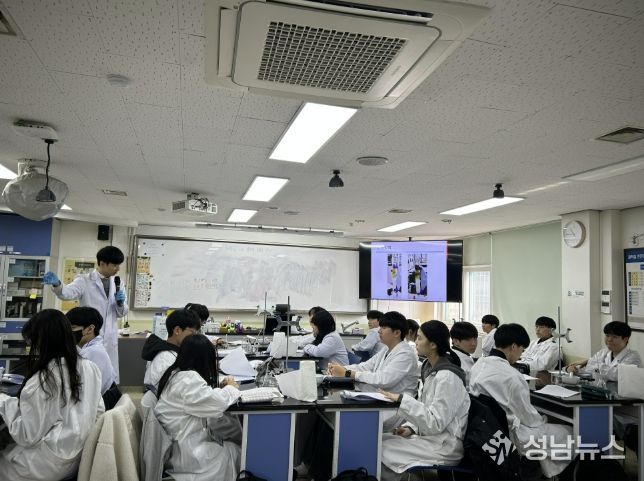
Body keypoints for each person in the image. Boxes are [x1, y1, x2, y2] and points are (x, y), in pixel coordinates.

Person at [0, 309, 104, 481]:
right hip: (77, 457)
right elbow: (99, 411)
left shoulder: (45, 378)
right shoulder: (90, 368)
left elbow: (26, 435)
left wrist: (4, 401)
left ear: (42, 341)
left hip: (46, 465)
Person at [469, 323, 573, 478]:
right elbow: (530, 419)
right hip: (511, 436)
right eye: (521, 350)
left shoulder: (479, 364)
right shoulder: (512, 376)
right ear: (513, 346)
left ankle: (540, 472)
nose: (520, 355)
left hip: (485, 432)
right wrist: (545, 419)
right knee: (570, 434)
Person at [379, 321, 470, 480]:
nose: (416, 342)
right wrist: (410, 428)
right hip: (432, 437)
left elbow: (435, 422)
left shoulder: (447, 377)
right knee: (380, 440)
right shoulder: (431, 369)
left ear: (433, 345)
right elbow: (426, 407)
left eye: (420, 338)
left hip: (444, 445)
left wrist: (402, 401)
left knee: (381, 450)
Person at [155, 334, 241, 481]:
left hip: (181, 448)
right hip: (190, 456)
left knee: (231, 442)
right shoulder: (188, 380)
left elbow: (202, 398)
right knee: (237, 451)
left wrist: (219, 389)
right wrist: (231, 387)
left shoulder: (177, 374)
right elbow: (217, 404)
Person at [43, 246, 128, 382]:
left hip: (109, 336)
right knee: (87, 376)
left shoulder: (118, 283)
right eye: (115, 265)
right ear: (102, 263)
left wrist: (120, 303)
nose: (118, 269)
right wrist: (57, 284)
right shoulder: (84, 280)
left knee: (108, 377)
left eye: (119, 265)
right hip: (89, 335)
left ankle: (108, 392)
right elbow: (67, 293)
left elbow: (121, 313)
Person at [327, 311, 419, 429]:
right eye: (380, 327)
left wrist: (348, 373)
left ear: (397, 333)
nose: (379, 331)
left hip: (394, 407)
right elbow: (365, 366)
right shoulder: (386, 349)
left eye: (384, 328)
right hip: (380, 399)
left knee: (348, 420)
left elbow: (383, 380)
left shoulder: (405, 354)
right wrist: (340, 369)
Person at [67, 306, 122, 410]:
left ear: (90, 329)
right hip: (101, 397)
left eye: (73, 328)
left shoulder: (93, 352)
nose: (69, 333)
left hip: (105, 402)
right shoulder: (88, 348)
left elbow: (85, 389)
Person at [142, 308, 201, 392]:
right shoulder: (166, 359)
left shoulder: (169, 350)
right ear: (177, 330)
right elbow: (182, 391)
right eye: (193, 332)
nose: (195, 337)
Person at [567, 321, 641, 381]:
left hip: (622, 394)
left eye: (614, 337)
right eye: (607, 335)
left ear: (625, 339)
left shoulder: (633, 357)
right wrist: (570, 369)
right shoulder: (603, 353)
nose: (609, 339)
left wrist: (590, 362)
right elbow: (587, 370)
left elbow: (617, 375)